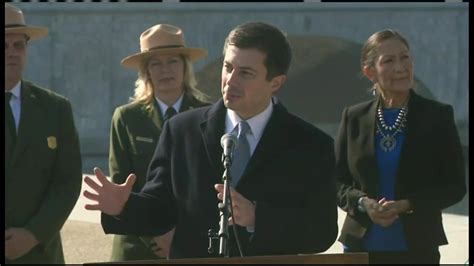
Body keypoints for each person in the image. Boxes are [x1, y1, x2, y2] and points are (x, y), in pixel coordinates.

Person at [84, 22, 338, 259]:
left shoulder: (311, 145)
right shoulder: (182, 130)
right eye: (228, 68)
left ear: (276, 83)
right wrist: (125, 206)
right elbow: (160, 211)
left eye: (246, 73)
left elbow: (322, 232)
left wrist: (257, 218)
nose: (230, 81)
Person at [335, 29, 466, 264]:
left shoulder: (438, 116)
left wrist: (406, 205)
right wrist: (363, 203)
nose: (400, 67)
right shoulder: (353, 117)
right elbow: (336, 181)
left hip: (418, 246)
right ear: (370, 72)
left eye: (405, 57)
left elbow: (454, 186)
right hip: (360, 247)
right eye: (389, 60)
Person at [108, 24, 210, 261]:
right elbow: (121, 185)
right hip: (137, 247)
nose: (165, 70)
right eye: (156, 63)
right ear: (146, 72)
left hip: (193, 246)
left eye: (173, 61)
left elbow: (211, 186)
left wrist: (180, 237)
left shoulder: (209, 116)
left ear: (185, 67)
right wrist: (157, 236)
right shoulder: (126, 118)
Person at [5, 4, 82, 264]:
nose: (12, 53)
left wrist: (33, 234)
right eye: (3, 45)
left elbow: (68, 181)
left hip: (40, 253)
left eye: (19, 45)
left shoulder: (55, 108)